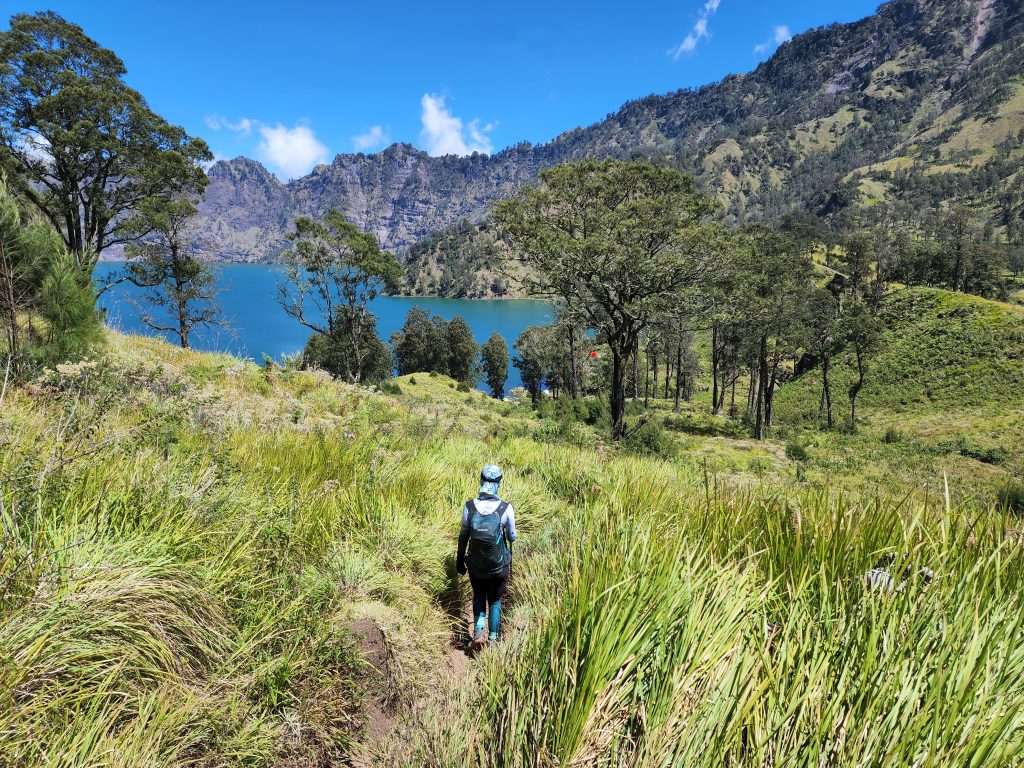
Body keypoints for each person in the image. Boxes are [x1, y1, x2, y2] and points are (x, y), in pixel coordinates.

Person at [456, 464, 517, 651]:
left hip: (476, 566)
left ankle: (478, 631)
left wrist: (460, 560)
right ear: (499, 483)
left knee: (479, 596)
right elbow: (512, 536)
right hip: (498, 567)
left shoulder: (470, 507)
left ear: (481, 480)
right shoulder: (505, 508)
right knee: (496, 600)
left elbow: (463, 535)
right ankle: (493, 639)